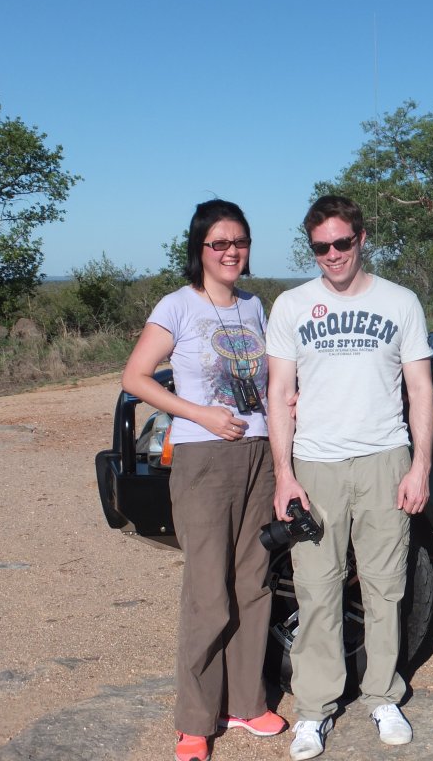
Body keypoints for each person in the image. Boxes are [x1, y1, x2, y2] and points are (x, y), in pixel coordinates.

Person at [265, 195, 433, 761]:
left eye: (341, 243)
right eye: (320, 247)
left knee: (387, 588)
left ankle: (384, 696)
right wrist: (284, 476)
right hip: (315, 465)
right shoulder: (291, 305)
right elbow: (280, 395)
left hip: (385, 459)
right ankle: (313, 710)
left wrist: (419, 466)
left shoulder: (399, 302)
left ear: (361, 239)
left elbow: (419, 391)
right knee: (316, 590)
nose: (332, 255)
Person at [122, 199, 287, 761]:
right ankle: (195, 718)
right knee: (207, 593)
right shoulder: (177, 306)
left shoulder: (254, 306)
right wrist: (200, 414)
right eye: (219, 243)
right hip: (204, 457)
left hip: (260, 454)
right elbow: (136, 377)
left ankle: (245, 702)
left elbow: (268, 381)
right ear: (199, 250)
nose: (231, 252)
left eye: (239, 241)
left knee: (253, 581)